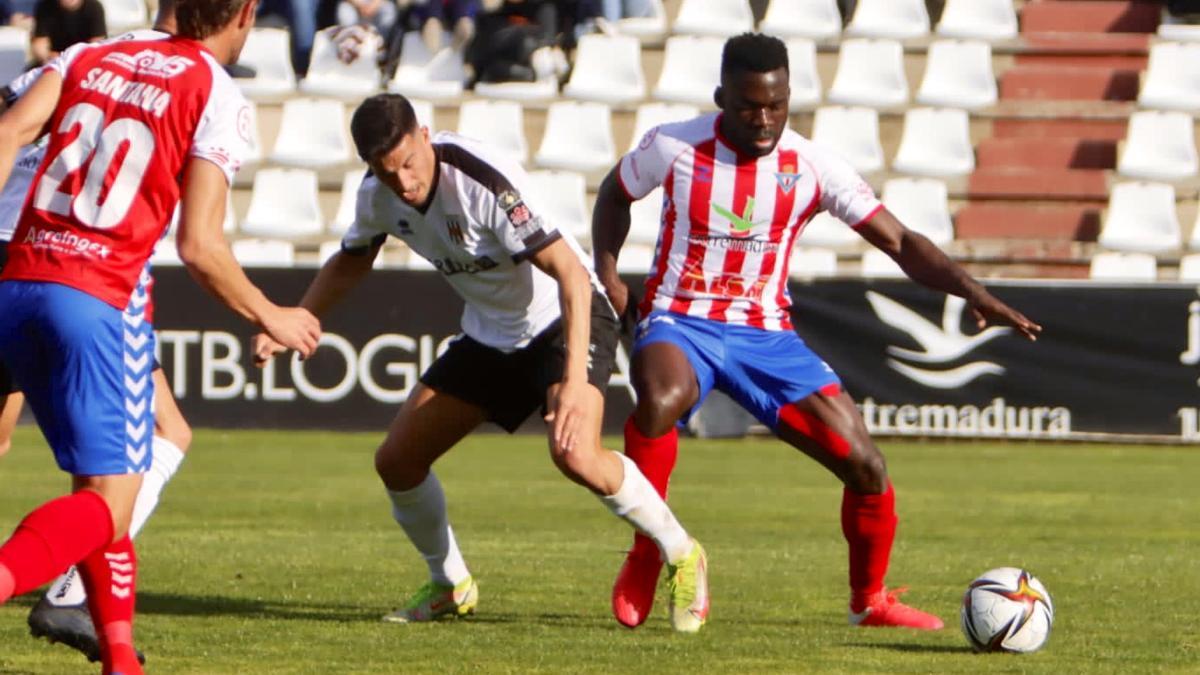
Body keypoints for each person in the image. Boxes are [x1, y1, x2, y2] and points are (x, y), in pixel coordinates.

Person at [592, 33, 1042, 632]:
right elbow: (614, 194)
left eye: (777, 106)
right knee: (658, 402)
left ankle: (870, 601)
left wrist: (973, 290)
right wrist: (609, 272)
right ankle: (652, 549)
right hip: (682, 318)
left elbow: (901, 241)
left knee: (867, 466)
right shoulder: (674, 145)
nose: (764, 119)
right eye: (750, 105)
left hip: (767, 336)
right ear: (722, 97)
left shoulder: (810, 163)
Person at [252, 92, 709, 633]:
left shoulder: (481, 181)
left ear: (425, 135)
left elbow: (567, 272)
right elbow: (352, 261)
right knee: (397, 461)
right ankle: (450, 586)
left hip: (565, 318)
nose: (403, 182)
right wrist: (296, 318)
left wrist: (576, 382)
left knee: (575, 454)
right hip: (491, 336)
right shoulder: (377, 196)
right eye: (386, 171)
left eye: (408, 163)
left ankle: (683, 553)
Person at [0, 1, 321, 672]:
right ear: (244, 13)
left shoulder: (86, 55)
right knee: (109, 505)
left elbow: (9, 131)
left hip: (18, 280)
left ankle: (122, 659)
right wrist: (270, 312)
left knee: (104, 480)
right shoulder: (215, 90)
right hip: (98, 299)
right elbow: (200, 245)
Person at [0, 0, 204, 663]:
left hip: (22, 264)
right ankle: (63, 589)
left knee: (96, 463)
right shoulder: (136, 75)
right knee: (128, 468)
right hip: (74, 270)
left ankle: (115, 648)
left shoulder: (52, 78)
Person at [30, 0, 106, 65]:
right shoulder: (45, 7)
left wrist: (71, 59)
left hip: (84, 62)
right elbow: (40, 46)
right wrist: (52, 58)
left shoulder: (94, 7)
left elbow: (97, 46)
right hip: (54, 62)